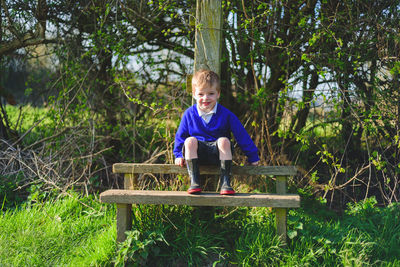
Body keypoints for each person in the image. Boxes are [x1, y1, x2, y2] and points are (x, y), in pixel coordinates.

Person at [173, 69, 260, 195]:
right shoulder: (189, 114)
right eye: (201, 94)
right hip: (197, 156)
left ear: (218, 94)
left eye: (211, 94)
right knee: (190, 141)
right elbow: (180, 136)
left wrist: (253, 156)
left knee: (224, 141)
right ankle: (195, 182)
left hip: (219, 156)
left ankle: (225, 183)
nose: (205, 98)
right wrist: (178, 155)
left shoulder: (226, 115)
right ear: (194, 94)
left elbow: (241, 135)